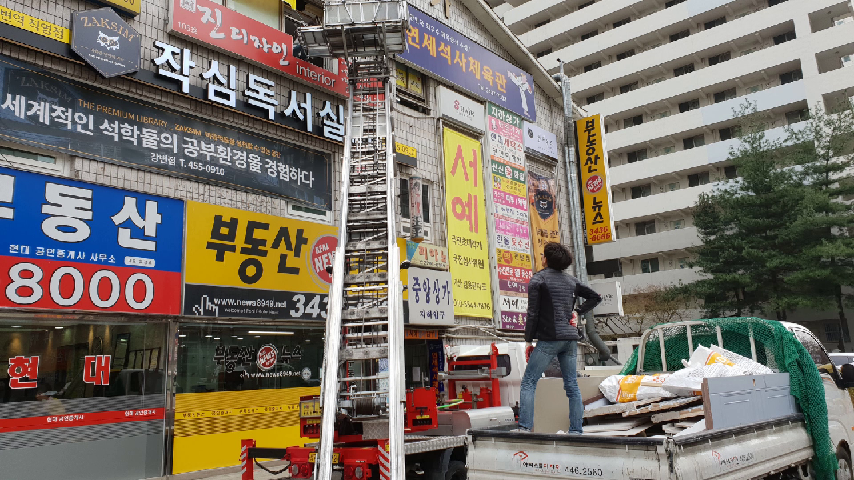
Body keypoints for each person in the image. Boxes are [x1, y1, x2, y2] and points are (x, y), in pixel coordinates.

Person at [516, 242, 602, 434]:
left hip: (550, 338)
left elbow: (532, 313)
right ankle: (576, 430)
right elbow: (596, 297)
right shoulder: (571, 281)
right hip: (570, 339)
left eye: (543, 255)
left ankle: (524, 427)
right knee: (571, 384)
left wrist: (528, 340)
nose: (542, 257)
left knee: (529, 381)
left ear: (546, 259)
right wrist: (577, 311)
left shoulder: (538, 279)